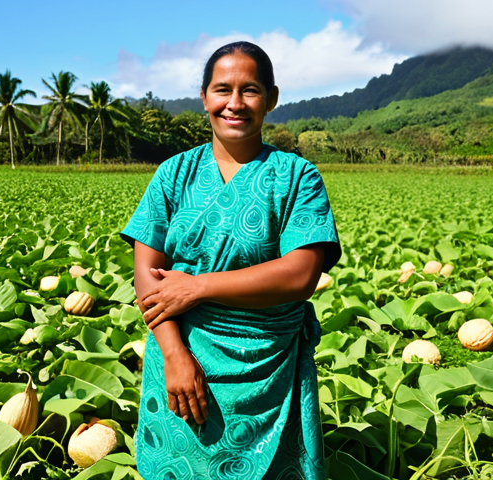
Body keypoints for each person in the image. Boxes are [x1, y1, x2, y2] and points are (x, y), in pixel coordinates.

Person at [119, 41, 341, 480]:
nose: (234, 104)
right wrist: (174, 353)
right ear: (204, 98)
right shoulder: (173, 174)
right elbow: (146, 275)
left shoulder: (299, 176)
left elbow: (300, 275)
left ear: (271, 99)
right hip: (182, 359)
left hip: (269, 369)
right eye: (222, 90)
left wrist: (197, 286)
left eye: (250, 90)